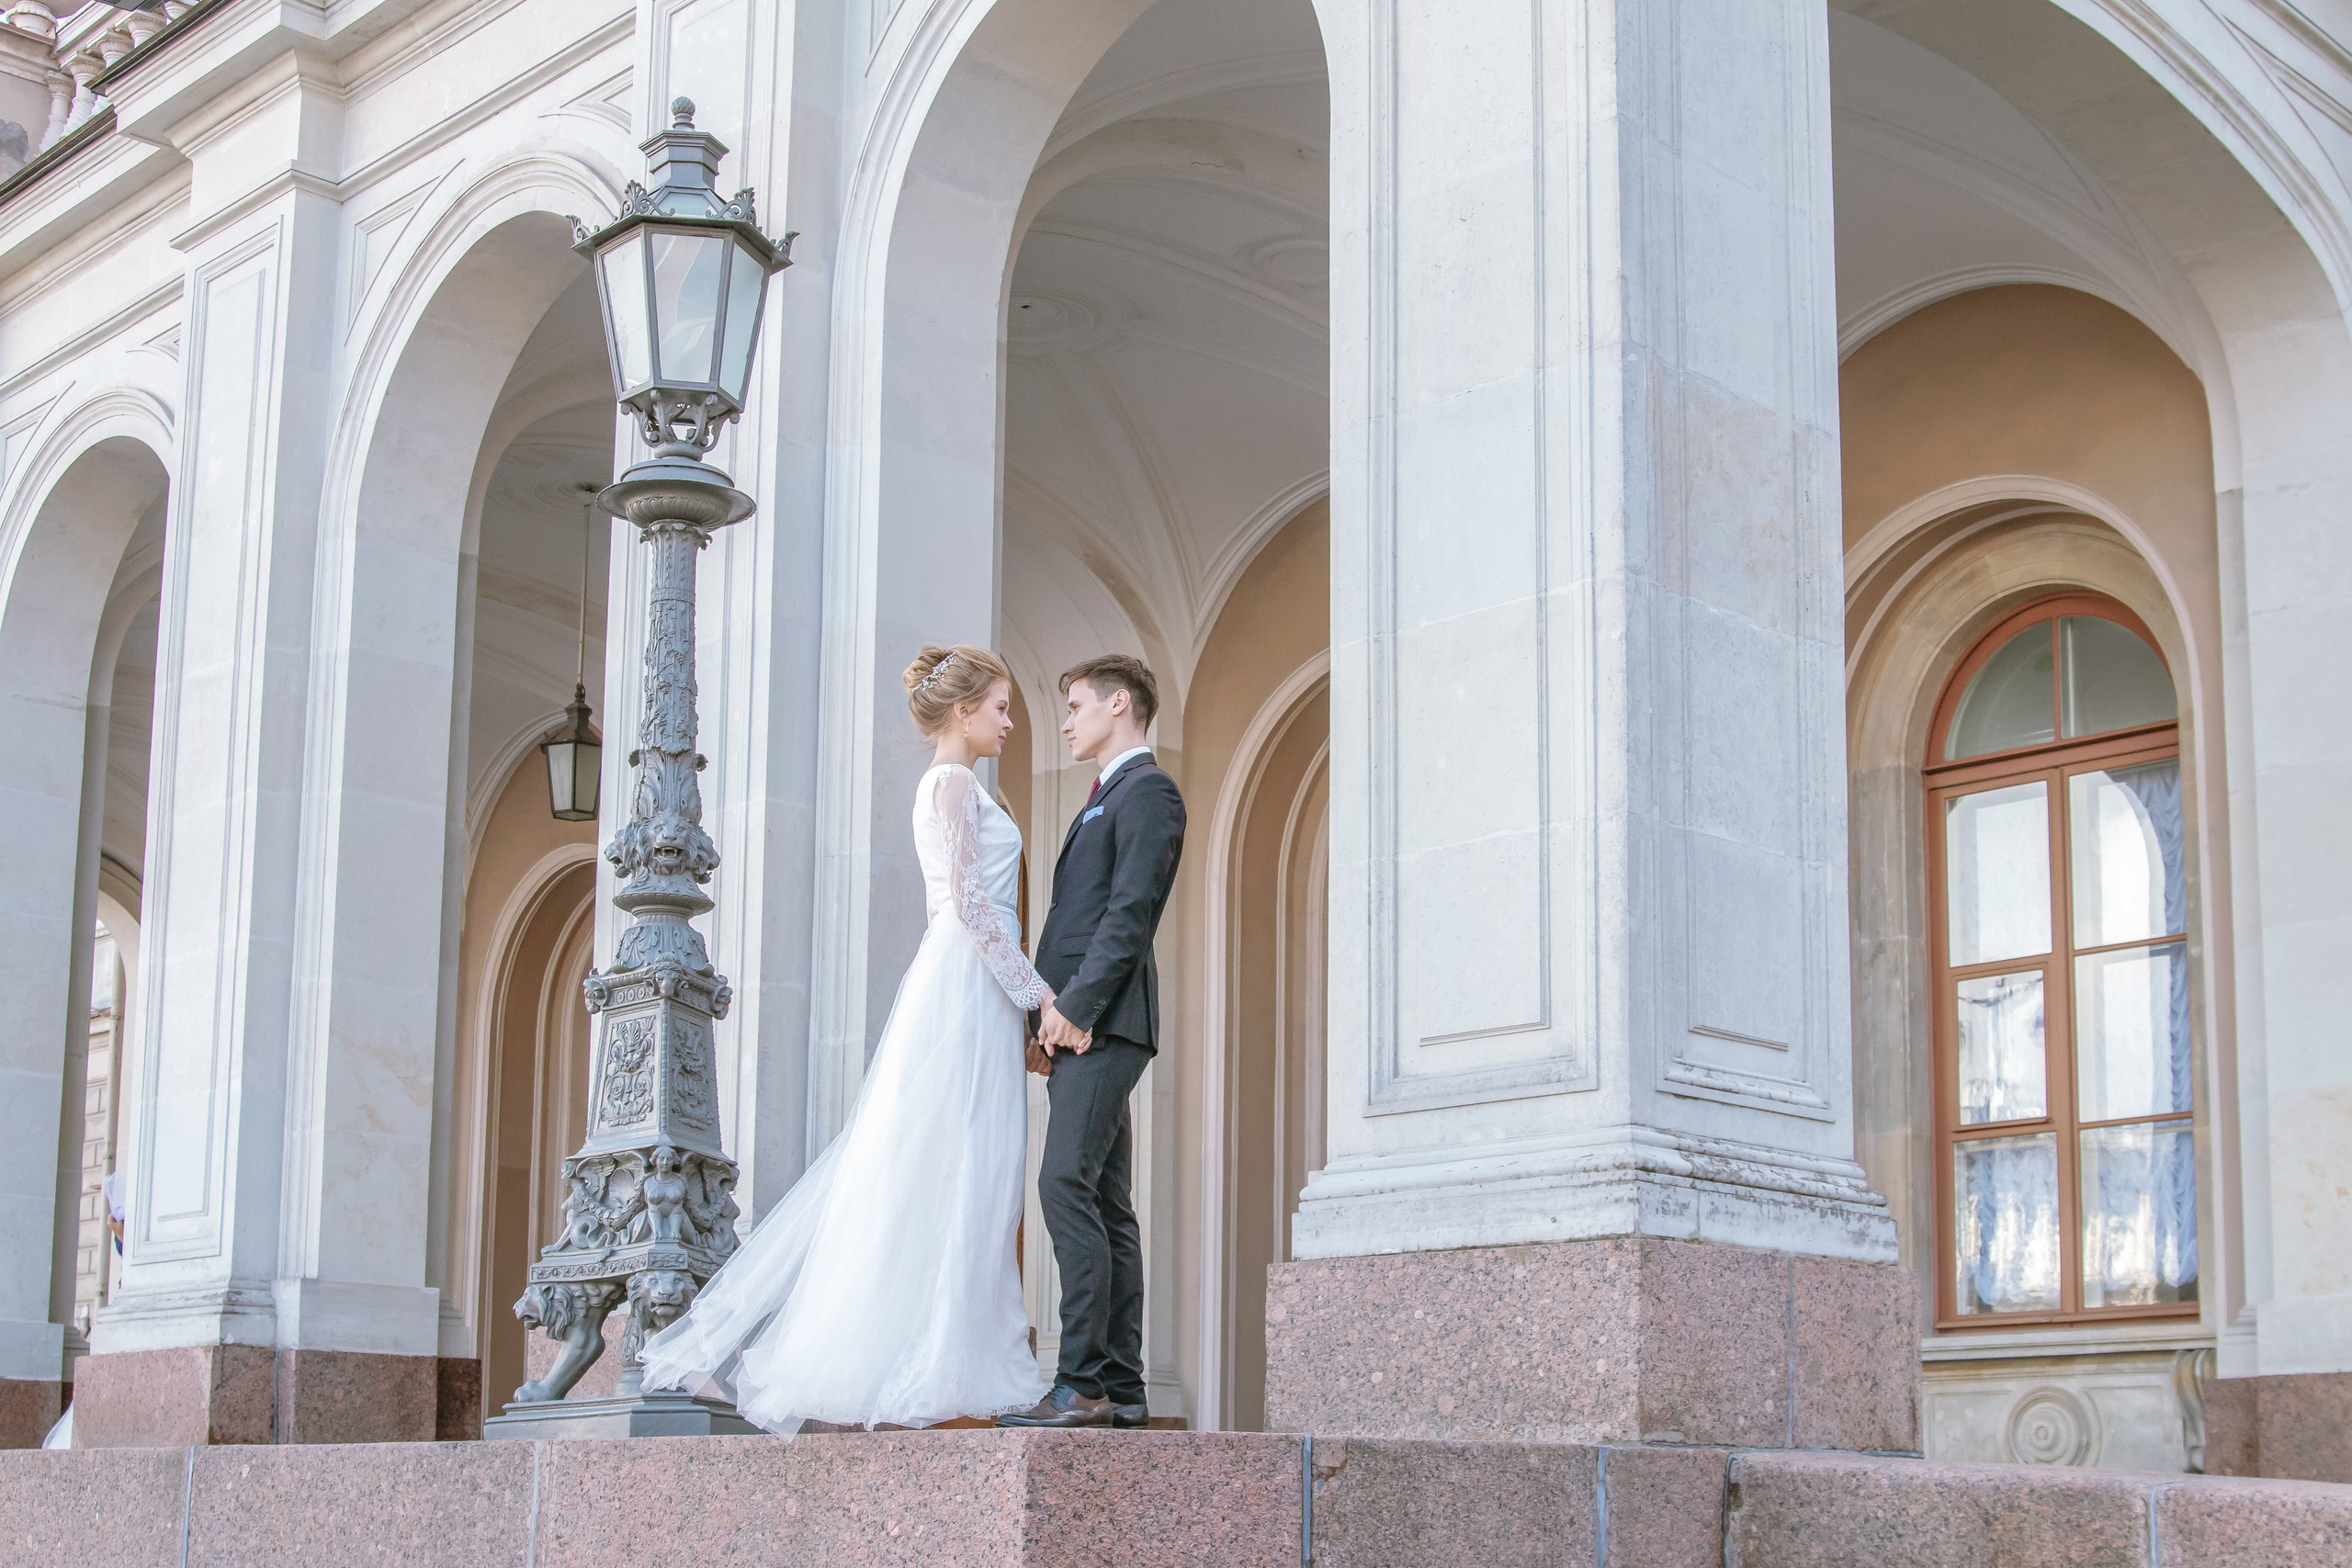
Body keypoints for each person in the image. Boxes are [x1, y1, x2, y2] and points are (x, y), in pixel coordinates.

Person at [639, 644, 1049, 1431]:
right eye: (1001, 707)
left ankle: (954, 1349)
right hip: (967, 978)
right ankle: (944, 1357)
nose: (1008, 723)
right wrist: (1036, 994)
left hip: (968, 979)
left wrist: (1017, 1000)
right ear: (965, 709)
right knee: (962, 1158)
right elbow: (969, 904)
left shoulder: (951, 784)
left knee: (965, 1160)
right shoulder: (953, 782)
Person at [998, 655, 1185, 1430]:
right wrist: (1043, 1019)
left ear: (1120, 704)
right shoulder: (1105, 796)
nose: (1066, 720)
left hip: (1103, 1021)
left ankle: (1080, 1383)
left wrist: (1075, 1009)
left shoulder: (1149, 792)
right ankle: (1123, 1385)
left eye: (1076, 705)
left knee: (1062, 1183)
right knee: (1105, 1198)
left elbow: (1130, 913)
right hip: (1079, 1023)